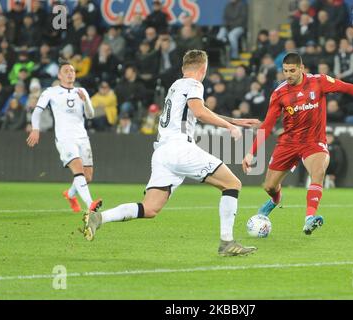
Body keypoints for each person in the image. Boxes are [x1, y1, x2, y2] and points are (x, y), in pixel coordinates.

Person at [82, 50, 260, 256]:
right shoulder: (195, 85)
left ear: (184, 68)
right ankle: (227, 243)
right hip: (180, 149)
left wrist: (234, 121)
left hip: (163, 152)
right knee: (232, 184)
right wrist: (229, 127)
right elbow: (201, 112)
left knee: (149, 208)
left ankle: (99, 218)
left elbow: (197, 109)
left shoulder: (176, 86)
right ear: (203, 69)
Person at [242, 53, 353, 235]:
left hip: (313, 141)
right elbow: (267, 125)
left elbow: (347, 88)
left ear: (301, 68)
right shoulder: (279, 93)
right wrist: (251, 152)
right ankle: (275, 200)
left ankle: (309, 219)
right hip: (289, 143)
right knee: (269, 187)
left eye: (292, 70)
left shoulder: (319, 82)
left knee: (318, 172)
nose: (288, 75)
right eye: (285, 71)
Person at [26, 61, 102, 214]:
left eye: (72, 71)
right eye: (66, 71)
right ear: (59, 75)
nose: (70, 73)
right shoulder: (50, 92)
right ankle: (90, 204)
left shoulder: (81, 91)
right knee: (78, 167)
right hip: (64, 137)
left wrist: (85, 101)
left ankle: (70, 194)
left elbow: (90, 115)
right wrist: (35, 129)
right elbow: (37, 112)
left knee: (88, 176)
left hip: (82, 137)